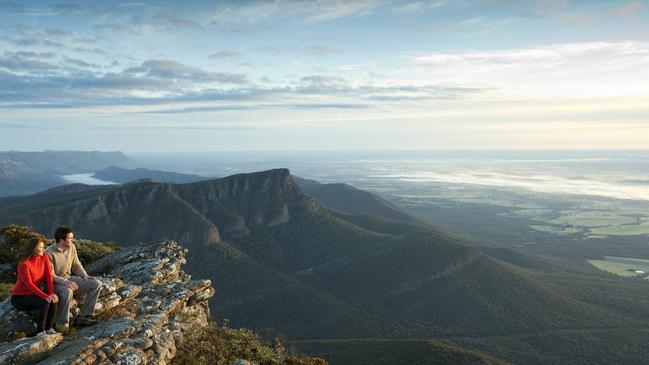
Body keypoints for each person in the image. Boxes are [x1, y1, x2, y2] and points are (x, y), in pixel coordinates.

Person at [45, 226, 101, 328]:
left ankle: (83, 318)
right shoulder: (48, 253)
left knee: (96, 284)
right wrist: (65, 282)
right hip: (55, 283)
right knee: (67, 291)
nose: (72, 240)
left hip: (68, 279)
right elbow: (51, 275)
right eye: (70, 238)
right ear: (62, 239)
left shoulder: (72, 247)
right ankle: (62, 325)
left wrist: (85, 276)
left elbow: (76, 264)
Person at [11, 237, 59, 336]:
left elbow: (49, 277)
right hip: (20, 298)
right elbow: (29, 285)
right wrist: (45, 296)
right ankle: (40, 331)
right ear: (33, 249)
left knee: (54, 299)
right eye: (41, 247)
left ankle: (50, 328)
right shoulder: (24, 264)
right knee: (45, 302)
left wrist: (51, 293)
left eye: (43, 247)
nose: (43, 249)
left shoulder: (44, 257)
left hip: (33, 294)